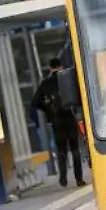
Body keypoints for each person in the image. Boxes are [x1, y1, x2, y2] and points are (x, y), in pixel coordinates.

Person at [31, 58, 85, 187]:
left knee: (61, 150)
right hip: (70, 117)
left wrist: (48, 110)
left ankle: (63, 178)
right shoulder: (67, 79)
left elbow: (35, 102)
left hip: (56, 120)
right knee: (75, 149)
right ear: (61, 67)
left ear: (50, 68)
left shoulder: (45, 83)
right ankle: (79, 179)